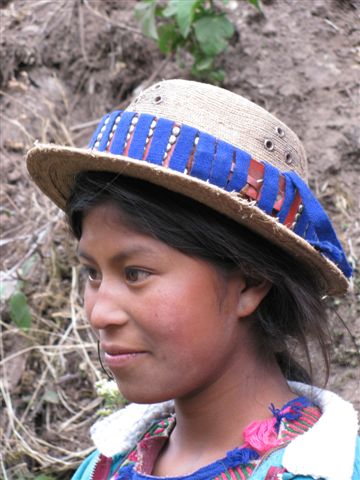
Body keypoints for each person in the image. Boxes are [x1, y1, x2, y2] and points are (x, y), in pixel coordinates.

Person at [26, 80, 359, 480]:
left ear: (250, 283)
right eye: (92, 273)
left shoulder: (328, 469)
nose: (99, 313)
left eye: (135, 274)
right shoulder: (102, 467)